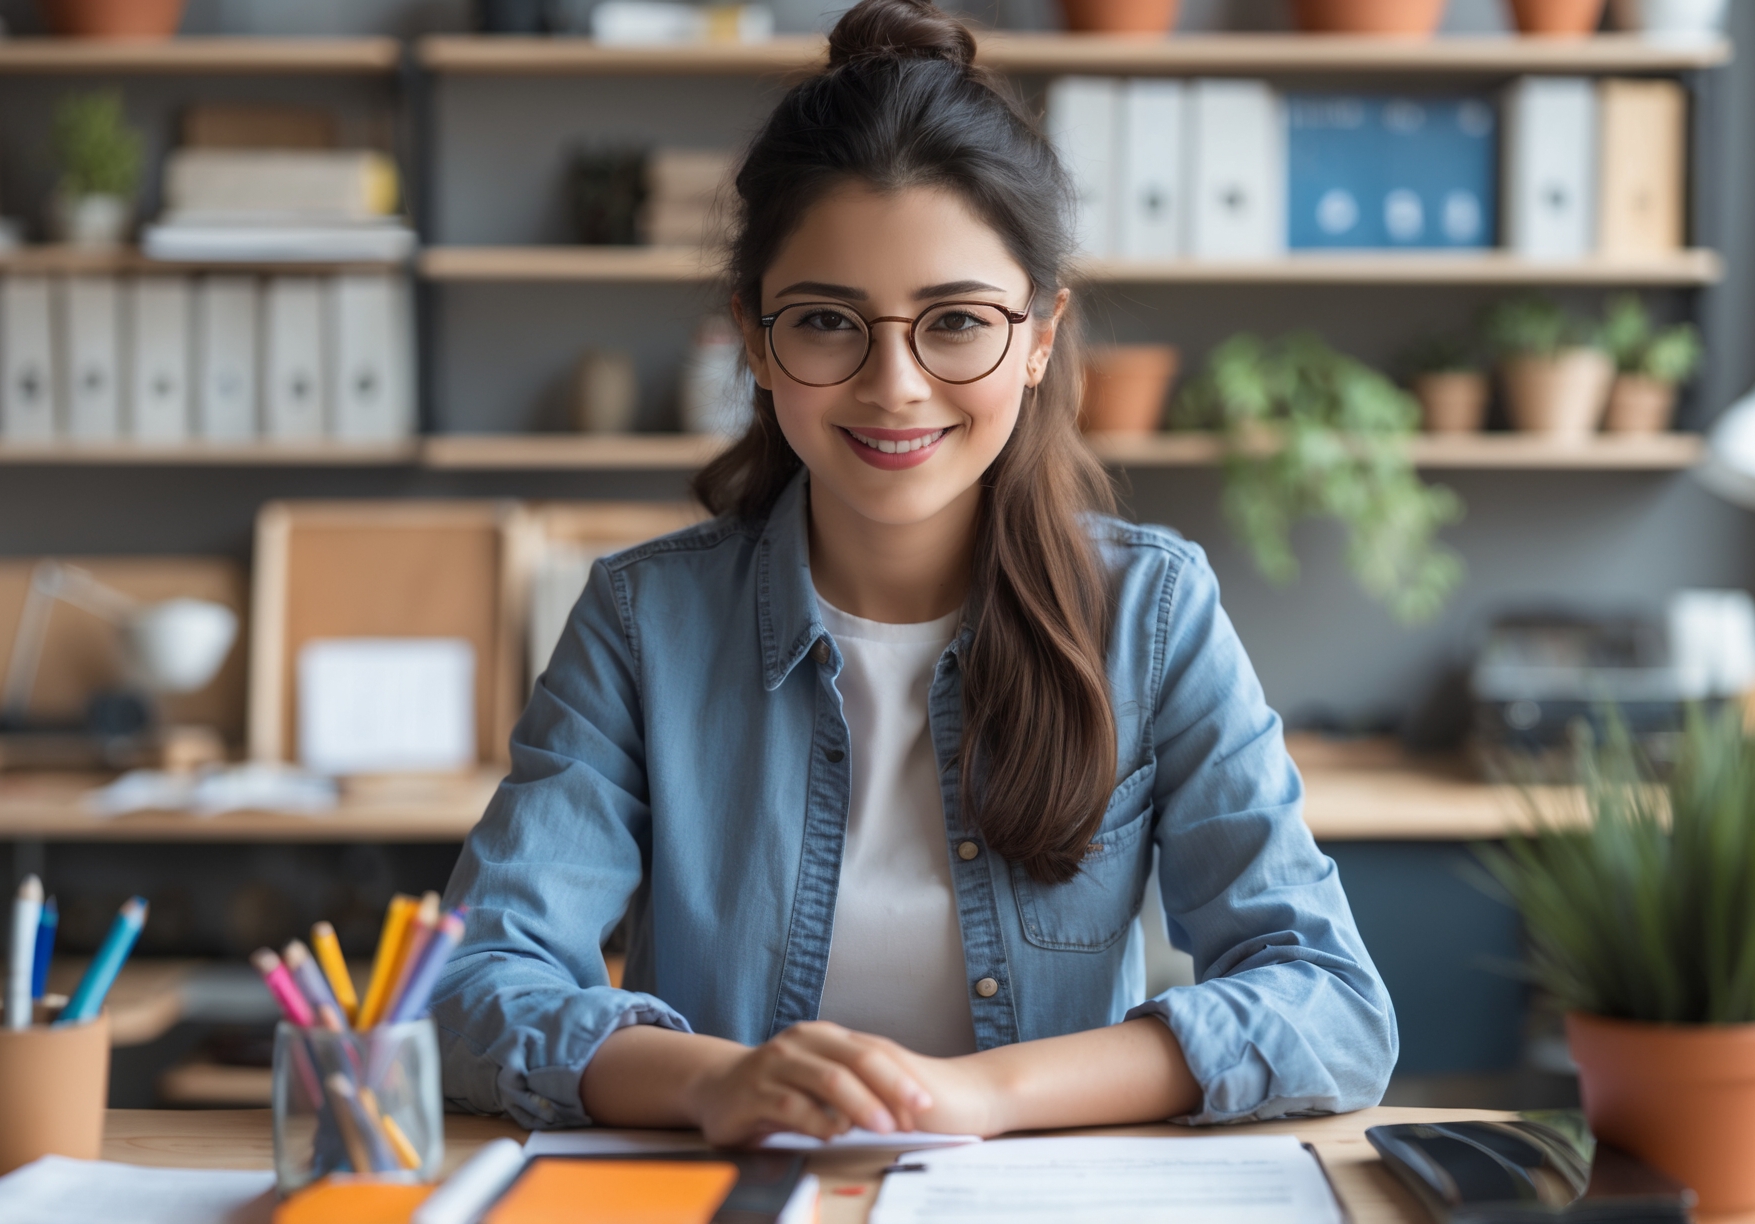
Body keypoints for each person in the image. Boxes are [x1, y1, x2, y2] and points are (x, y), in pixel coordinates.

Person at [432, 0, 1396, 1146]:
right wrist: (711, 1083)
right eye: (831, 322)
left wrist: (987, 1095)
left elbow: (1331, 1006)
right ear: (754, 336)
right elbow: (467, 990)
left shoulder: (1152, 613)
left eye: (955, 323)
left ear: (1040, 335)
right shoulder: (646, 621)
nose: (894, 384)